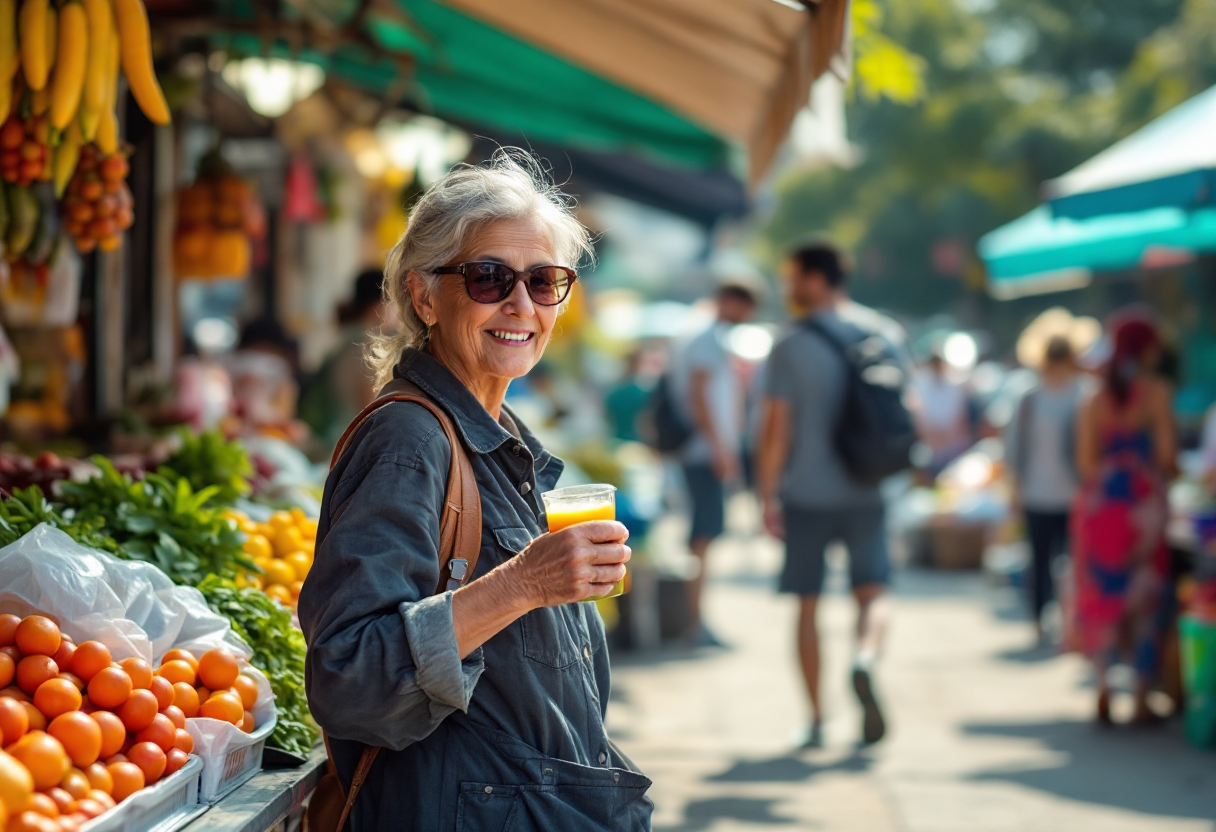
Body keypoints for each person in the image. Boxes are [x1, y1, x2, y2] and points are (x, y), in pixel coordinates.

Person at [297, 151, 652, 830]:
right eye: (489, 277)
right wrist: (523, 582)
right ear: (425, 296)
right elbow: (351, 680)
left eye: (543, 280)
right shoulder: (409, 441)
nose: (521, 304)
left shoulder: (495, 439)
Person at [756, 242, 897, 748]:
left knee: (807, 604)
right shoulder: (883, 332)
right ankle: (866, 658)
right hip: (869, 486)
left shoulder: (791, 343)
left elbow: (777, 428)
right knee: (873, 591)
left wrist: (766, 495)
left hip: (807, 493)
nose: (788, 288)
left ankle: (816, 720)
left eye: (794, 278)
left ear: (816, 279)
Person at [1073, 314, 1176, 725]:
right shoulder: (1156, 394)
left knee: (1100, 595)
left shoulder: (1094, 398)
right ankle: (1140, 697)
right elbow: (1167, 456)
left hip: (1099, 507)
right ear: (1146, 349)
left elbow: (1085, 462)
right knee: (1146, 596)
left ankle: (1102, 686)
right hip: (1142, 507)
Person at [670, 281, 758, 646]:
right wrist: (722, 450)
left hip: (704, 453)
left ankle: (695, 620)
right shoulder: (705, 338)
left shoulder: (702, 334)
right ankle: (694, 622)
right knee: (703, 538)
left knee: (703, 537)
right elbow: (700, 397)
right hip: (703, 455)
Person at [1005, 335, 1086, 645]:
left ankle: (1070, 624)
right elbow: (1014, 449)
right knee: (1040, 561)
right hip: (1036, 493)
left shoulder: (1081, 396)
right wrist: (1015, 491)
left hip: (1073, 495)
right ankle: (1040, 619)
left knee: (1071, 563)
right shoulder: (1029, 399)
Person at [299, 269, 389, 450]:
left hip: (328, 442)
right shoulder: (366, 345)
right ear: (382, 302)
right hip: (344, 446)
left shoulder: (347, 337)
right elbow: (371, 409)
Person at [911, 349, 972, 475]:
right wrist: (933, 436)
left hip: (954, 447)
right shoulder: (920, 385)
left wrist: (948, 436)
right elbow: (919, 415)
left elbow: (960, 417)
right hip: (931, 448)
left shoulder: (954, 385)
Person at [604, 350, 653, 443]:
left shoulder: (614, 393)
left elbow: (608, 417)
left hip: (616, 440)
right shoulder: (643, 394)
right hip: (637, 442)